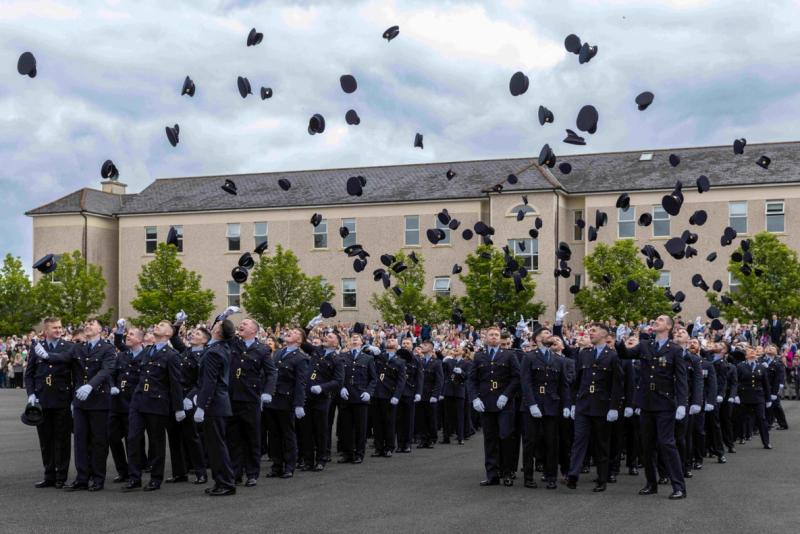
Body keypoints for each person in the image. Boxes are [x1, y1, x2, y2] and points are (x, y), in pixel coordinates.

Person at [616, 315, 688, 500]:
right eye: (656, 319)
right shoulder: (645, 344)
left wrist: (682, 404)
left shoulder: (675, 350)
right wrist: (619, 342)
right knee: (646, 446)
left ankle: (678, 486)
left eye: (661, 320)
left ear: (669, 327)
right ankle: (651, 483)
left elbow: (681, 379)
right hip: (646, 403)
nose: (656, 321)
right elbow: (626, 354)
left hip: (665, 403)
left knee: (666, 443)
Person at [123, 320, 183, 492]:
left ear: (169, 334)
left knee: (156, 442)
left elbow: (175, 383)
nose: (157, 326)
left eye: (162, 325)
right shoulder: (147, 351)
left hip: (157, 402)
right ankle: (134, 477)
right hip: (139, 400)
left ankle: (156, 478)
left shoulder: (171, 355)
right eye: (157, 324)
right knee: (133, 438)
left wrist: (178, 407)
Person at [566, 323, 623, 493]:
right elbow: (577, 380)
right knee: (579, 440)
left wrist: (614, 407)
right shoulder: (585, 354)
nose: (590, 333)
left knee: (601, 443)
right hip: (584, 404)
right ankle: (573, 474)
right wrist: (574, 403)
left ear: (605, 336)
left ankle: (602, 478)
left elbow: (617, 384)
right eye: (590, 331)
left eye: (594, 331)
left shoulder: (612, 356)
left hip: (602, 406)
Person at [25, 317, 78, 489]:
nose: (58, 330)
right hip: (42, 400)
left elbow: (74, 372)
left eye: (60, 327)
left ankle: (61, 476)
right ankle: (49, 475)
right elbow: (29, 374)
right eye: (54, 328)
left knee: (62, 439)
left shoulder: (69, 347)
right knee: (45, 440)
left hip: (62, 399)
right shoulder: (36, 347)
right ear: (46, 331)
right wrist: (31, 394)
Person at [65, 318, 115, 491]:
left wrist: (90, 385)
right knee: (80, 440)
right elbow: (64, 358)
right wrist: (46, 355)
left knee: (99, 441)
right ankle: (82, 478)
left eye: (92, 324)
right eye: (86, 324)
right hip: (80, 401)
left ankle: (98, 478)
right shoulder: (78, 347)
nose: (87, 325)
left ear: (101, 330)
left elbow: (106, 369)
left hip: (99, 400)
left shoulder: (107, 348)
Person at [467, 326, 520, 487]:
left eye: (497, 335)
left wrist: (506, 394)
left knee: (505, 437)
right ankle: (492, 474)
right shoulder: (479, 356)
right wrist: (475, 398)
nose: (494, 337)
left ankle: (507, 472)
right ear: (485, 337)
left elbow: (517, 378)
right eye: (491, 335)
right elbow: (472, 380)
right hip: (486, 403)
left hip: (505, 403)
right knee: (490, 439)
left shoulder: (509, 355)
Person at [228, 318, 277, 486]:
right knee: (234, 438)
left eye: (246, 324)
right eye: (240, 323)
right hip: (233, 398)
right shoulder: (234, 344)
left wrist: (267, 392)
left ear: (254, 330)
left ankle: (252, 473)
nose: (241, 325)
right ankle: (235, 473)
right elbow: (220, 330)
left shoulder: (262, 349)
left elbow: (271, 373)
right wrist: (222, 318)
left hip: (251, 399)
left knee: (252, 437)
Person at [520, 334, 571, 489]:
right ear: (536, 339)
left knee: (552, 442)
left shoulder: (559, 359)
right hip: (533, 404)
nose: (549, 337)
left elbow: (564, 385)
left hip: (551, 404)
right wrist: (531, 404)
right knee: (530, 442)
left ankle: (551, 476)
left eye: (550, 334)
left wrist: (566, 405)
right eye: (544, 335)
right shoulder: (529, 357)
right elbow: (525, 382)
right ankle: (528, 477)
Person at [193, 319, 237, 496]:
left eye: (217, 326)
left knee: (217, 446)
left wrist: (201, 406)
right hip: (219, 402)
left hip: (215, 403)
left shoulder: (214, 352)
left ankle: (226, 483)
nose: (214, 326)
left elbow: (209, 382)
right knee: (216, 445)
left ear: (218, 332)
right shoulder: (221, 348)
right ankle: (221, 481)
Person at [165, 320, 209, 485]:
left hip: (190, 399)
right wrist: (177, 323)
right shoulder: (184, 352)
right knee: (174, 437)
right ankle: (179, 472)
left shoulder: (206, 355)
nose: (193, 334)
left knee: (192, 437)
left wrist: (189, 397)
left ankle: (200, 472)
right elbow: (175, 337)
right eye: (193, 332)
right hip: (176, 398)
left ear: (205, 340)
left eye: (198, 334)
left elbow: (202, 381)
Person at [264, 327, 309, 479]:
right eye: (291, 331)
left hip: (286, 400)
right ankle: (277, 465)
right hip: (272, 399)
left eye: (295, 333)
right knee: (274, 435)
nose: (290, 332)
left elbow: (300, 383)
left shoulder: (301, 358)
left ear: (300, 341)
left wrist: (299, 404)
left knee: (288, 434)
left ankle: (289, 466)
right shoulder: (277, 353)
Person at [298, 330, 344, 471]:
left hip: (322, 398)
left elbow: (338, 381)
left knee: (321, 430)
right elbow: (302, 342)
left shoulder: (337, 360)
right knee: (307, 430)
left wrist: (322, 387)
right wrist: (308, 328)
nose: (326, 337)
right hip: (307, 396)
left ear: (336, 343)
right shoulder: (317, 351)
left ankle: (321, 459)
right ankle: (308, 460)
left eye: (330, 337)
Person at [109, 323, 145, 484]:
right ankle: (122, 471)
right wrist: (112, 386)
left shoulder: (145, 356)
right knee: (112, 438)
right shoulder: (123, 355)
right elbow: (113, 373)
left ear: (139, 339)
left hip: (134, 404)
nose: (127, 337)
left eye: (131, 334)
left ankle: (134, 474)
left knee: (133, 441)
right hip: (117, 403)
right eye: (127, 334)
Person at [336, 331, 377, 464]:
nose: (354, 339)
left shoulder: (368, 358)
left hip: (360, 397)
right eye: (352, 338)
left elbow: (373, 379)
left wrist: (368, 392)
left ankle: (359, 453)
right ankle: (347, 453)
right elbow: (338, 375)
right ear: (348, 342)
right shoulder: (342, 356)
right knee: (346, 428)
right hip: (346, 396)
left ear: (362, 342)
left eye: (357, 338)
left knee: (360, 428)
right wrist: (340, 387)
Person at [370, 336, 406, 457]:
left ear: (397, 346)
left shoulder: (400, 361)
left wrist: (397, 395)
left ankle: (389, 447)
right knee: (377, 423)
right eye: (388, 340)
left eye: (393, 341)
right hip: (376, 394)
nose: (390, 341)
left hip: (389, 395)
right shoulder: (379, 356)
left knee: (389, 422)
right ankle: (378, 447)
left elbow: (401, 381)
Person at [735, 346, 772, 449]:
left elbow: (766, 384)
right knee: (742, 418)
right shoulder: (740, 366)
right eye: (749, 351)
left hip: (758, 397)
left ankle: (766, 442)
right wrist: (736, 395)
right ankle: (741, 437)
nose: (752, 352)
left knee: (762, 418)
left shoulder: (761, 367)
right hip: (744, 396)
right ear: (746, 355)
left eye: (754, 351)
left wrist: (768, 399)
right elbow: (736, 382)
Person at [396, 337, 422, 453]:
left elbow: (419, 378)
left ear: (412, 346)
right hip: (397, 393)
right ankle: (400, 443)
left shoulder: (416, 360)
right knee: (399, 419)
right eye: (404, 343)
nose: (405, 345)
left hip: (410, 392)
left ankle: (407, 443)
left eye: (408, 343)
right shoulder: (396, 359)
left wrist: (418, 392)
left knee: (409, 419)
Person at [441, 345, 471, 445]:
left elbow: (468, 376)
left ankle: (460, 437)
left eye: (458, 348)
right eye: (454, 348)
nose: (456, 349)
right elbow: (443, 371)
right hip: (449, 390)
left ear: (463, 352)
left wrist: (461, 372)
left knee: (460, 415)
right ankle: (446, 437)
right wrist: (445, 357)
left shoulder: (466, 363)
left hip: (459, 390)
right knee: (447, 415)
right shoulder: (449, 361)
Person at [417, 340, 443, 449]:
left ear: (431, 349)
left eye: (426, 345)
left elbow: (439, 380)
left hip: (431, 393)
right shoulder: (419, 361)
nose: (422, 346)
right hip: (421, 394)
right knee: (421, 418)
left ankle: (432, 438)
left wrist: (435, 395)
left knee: (431, 417)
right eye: (422, 345)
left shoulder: (436, 362)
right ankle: (423, 439)